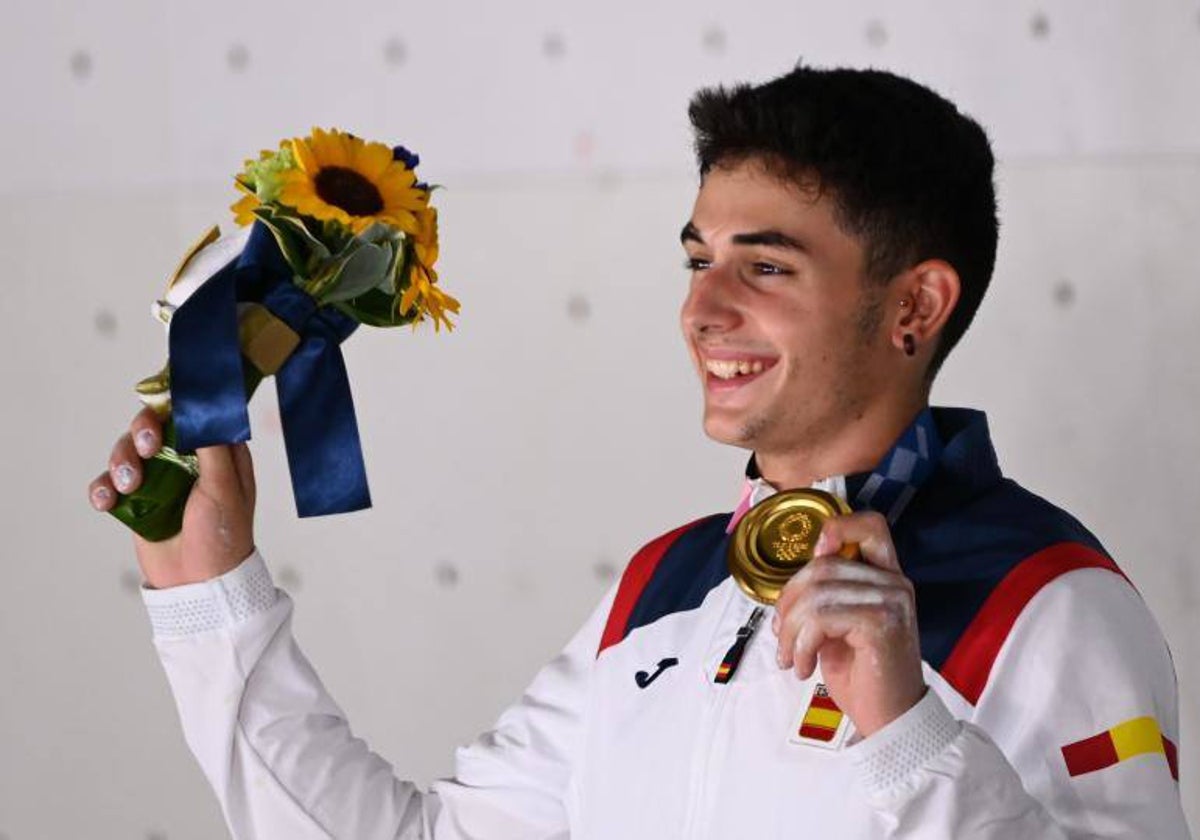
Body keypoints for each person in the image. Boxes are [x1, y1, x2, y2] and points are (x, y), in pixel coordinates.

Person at [88, 66, 1190, 838]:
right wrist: (210, 596)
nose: (701, 311)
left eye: (764, 268)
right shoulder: (662, 591)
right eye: (695, 260)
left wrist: (906, 735)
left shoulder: (1051, 599)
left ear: (916, 306)